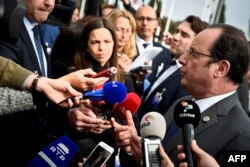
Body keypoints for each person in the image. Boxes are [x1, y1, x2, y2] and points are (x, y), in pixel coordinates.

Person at [112, 23, 250, 166]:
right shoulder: (183, 105)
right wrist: (134, 152)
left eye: (193, 54)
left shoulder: (243, 136)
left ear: (221, 68)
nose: (182, 59)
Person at [65, 16, 138, 167]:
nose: (101, 48)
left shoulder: (125, 79)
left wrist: (110, 125)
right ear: (85, 45)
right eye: (95, 42)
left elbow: (132, 120)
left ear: (114, 44)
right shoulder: (72, 75)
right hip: (74, 148)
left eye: (107, 42)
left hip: (108, 153)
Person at [137, 15, 208, 119]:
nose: (175, 37)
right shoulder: (170, 63)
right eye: (176, 31)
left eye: (184, 35)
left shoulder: (188, 80)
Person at [132, 5, 171, 96]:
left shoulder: (165, 53)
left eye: (149, 19)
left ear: (157, 23)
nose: (145, 23)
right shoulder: (125, 47)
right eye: (140, 18)